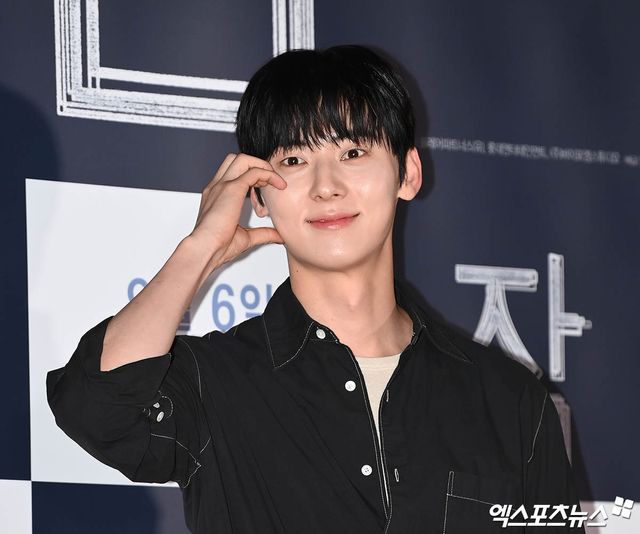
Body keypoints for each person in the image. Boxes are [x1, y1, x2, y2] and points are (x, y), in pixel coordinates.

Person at [47, 45, 584, 533]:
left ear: (408, 173)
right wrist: (200, 248)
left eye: (353, 153)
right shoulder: (214, 383)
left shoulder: (508, 399)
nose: (326, 186)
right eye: (294, 161)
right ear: (259, 196)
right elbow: (94, 407)